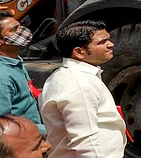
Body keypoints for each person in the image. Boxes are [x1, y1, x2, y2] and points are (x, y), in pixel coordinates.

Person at [39, 20, 125, 157]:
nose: (111, 44)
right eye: (102, 42)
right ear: (79, 52)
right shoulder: (79, 84)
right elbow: (85, 142)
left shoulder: (70, 76)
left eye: (108, 39)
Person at [0, 13, 42, 133]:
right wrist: (44, 131)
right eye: (14, 30)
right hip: (24, 141)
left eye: (20, 26)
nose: (22, 31)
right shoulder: (3, 75)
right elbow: (3, 123)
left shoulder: (15, 63)